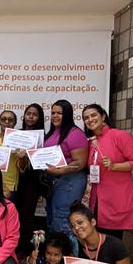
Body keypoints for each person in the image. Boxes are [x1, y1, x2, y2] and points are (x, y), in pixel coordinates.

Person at [82, 103, 133, 238]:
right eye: (86, 118)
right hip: (95, 200)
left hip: (116, 199)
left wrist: (115, 166)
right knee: (96, 241)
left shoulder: (120, 135)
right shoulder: (90, 142)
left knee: (112, 242)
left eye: (93, 115)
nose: (90, 120)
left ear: (103, 116)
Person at [43, 100, 88, 240]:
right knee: (53, 219)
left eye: (59, 113)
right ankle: (55, 253)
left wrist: (59, 171)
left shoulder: (75, 133)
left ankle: (68, 253)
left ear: (67, 114)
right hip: (54, 182)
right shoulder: (53, 132)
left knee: (64, 220)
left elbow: (80, 163)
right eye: (53, 113)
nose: (55, 116)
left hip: (70, 182)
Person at [16, 103, 46, 254]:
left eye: (35, 114)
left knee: (27, 216)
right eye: (28, 114)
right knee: (14, 214)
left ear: (39, 118)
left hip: (32, 181)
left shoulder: (43, 137)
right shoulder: (16, 134)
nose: (31, 117)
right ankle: (15, 247)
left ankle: (27, 250)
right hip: (15, 181)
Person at [0, 111, 25, 200]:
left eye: (10, 120)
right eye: (3, 119)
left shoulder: (19, 141)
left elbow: (22, 168)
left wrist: (22, 158)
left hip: (10, 185)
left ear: (15, 123)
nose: (7, 122)